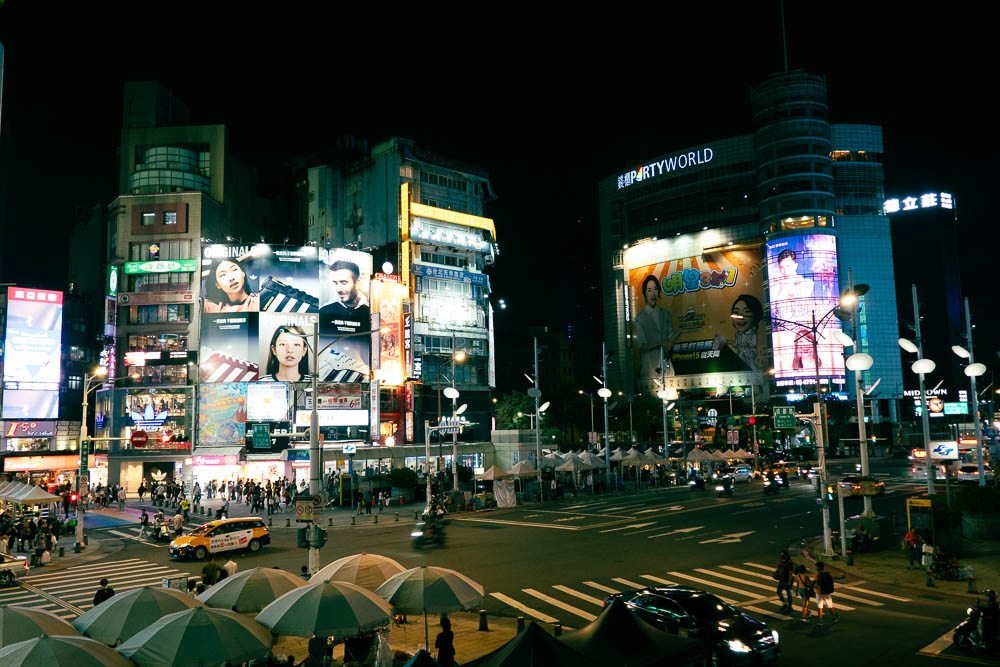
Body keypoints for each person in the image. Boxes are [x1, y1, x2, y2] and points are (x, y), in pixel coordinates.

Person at [634, 274, 681, 380]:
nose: (653, 294)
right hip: (649, 365)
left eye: (655, 289)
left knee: (670, 392)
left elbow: (669, 341)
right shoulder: (640, 318)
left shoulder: (666, 314)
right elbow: (641, 345)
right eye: (649, 290)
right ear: (644, 293)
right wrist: (660, 343)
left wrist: (679, 332)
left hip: (666, 364)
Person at [713, 294, 764, 371]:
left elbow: (752, 346)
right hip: (740, 358)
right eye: (736, 312)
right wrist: (728, 342)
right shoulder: (738, 334)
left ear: (755, 315)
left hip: (748, 356)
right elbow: (736, 345)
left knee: (750, 369)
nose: (740, 317)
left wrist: (745, 345)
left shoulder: (752, 333)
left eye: (747, 311)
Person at [812, 562, 839, 626]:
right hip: (826, 592)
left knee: (820, 607)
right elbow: (833, 578)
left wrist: (813, 587)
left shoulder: (817, 574)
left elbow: (814, 582)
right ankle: (834, 617)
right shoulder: (827, 573)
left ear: (818, 567)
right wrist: (841, 577)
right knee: (830, 606)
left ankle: (820, 621)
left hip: (819, 592)